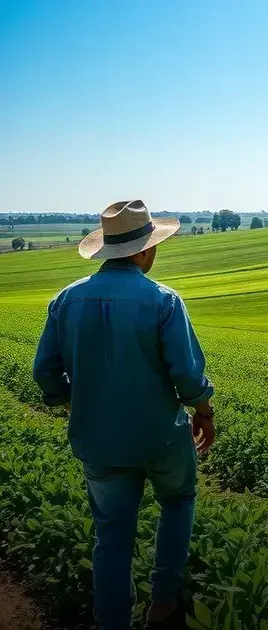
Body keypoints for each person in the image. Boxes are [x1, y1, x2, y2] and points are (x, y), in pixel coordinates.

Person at [32, 200, 216, 630]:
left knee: (111, 533)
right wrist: (204, 411)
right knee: (179, 499)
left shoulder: (66, 300)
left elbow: (45, 371)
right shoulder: (163, 301)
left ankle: (111, 620)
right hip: (160, 436)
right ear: (144, 251)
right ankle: (163, 601)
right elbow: (188, 375)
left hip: (97, 440)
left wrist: (68, 401)